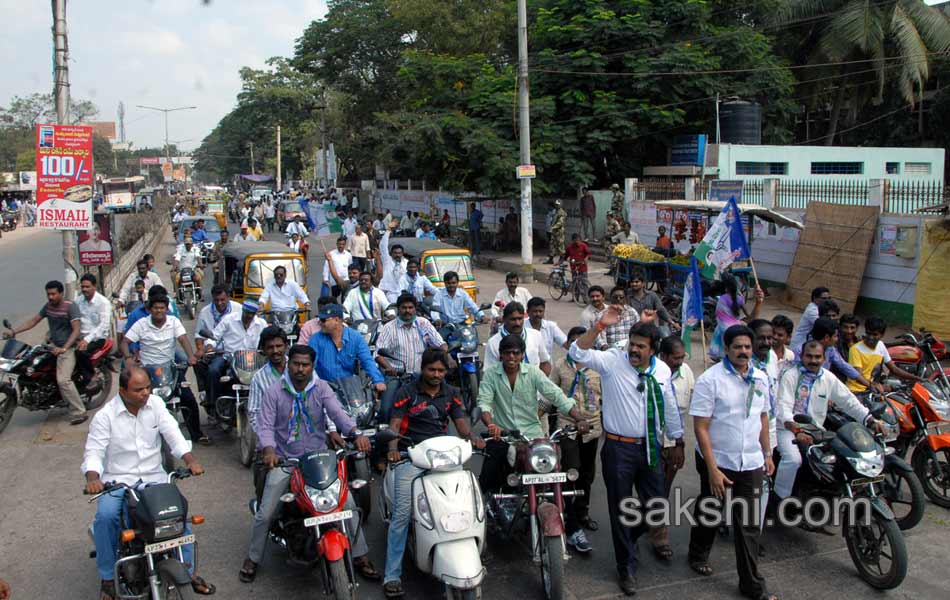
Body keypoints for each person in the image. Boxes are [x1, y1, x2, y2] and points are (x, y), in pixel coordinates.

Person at [239, 345, 380, 584]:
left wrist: (356, 433)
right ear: (289, 364)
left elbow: (337, 413)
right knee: (265, 513)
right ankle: (253, 558)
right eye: (296, 363)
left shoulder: (321, 388)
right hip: (286, 461)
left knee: (347, 504)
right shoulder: (274, 392)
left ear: (312, 366)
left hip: (318, 459)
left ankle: (360, 556)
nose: (300, 369)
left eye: (305, 364)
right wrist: (269, 450)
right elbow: (265, 425)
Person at [569, 317, 683, 594]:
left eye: (641, 347)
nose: (634, 350)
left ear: (653, 349)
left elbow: (669, 406)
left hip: (651, 447)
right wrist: (598, 327)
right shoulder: (612, 362)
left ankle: (628, 539)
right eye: (632, 344)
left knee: (656, 508)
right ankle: (626, 567)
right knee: (620, 509)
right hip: (619, 449)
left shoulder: (663, 372)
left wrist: (678, 440)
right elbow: (577, 352)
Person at [82, 367, 214, 600]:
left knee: (178, 515)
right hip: (118, 481)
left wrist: (190, 459)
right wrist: (93, 478)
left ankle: (189, 572)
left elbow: (173, 433)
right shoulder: (106, 416)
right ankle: (108, 578)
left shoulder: (155, 405)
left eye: (147, 388)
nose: (145, 393)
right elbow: (94, 451)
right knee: (106, 517)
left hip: (155, 477)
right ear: (122, 391)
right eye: (138, 389)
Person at [381, 349, 483, 596]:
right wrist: (393, 449)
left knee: (468, 502)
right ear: (423, 368)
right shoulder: (407, 393)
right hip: (411, 457)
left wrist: (473, 437)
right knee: (402, 516)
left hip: (444, 456)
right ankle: (392, 574)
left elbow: (460, 424)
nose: (437, 375)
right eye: (432, 370)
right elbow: (394, 426)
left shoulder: (451, 393)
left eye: (441, 371)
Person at [688, 325, 774, 600]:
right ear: (726, 349)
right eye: (737, 347)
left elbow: (762, 418)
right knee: (712, 508)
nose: (743, 351)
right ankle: (698, 553)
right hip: (717, 458)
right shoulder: (710, 380)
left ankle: (751, 586)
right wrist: (713, 470)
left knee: (747, 523)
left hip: (750, 460)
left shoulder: (760, 378)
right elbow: (700, 427)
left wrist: (767, 453)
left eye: (747, 347)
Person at [774, 340, 881, 504]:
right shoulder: (791, 375)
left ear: (824, 359)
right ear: (801, 356)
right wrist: (797, 430)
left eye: (817, 357)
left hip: (816, 431)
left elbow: (848, 401)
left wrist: (870, 420)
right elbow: (783, 408)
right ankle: (780, 499)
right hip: (787, 430)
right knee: (793, 459)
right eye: (809, 356)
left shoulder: (828, 378)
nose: (813, 360)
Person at [478, 334, 590, 492]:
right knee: (488, 479)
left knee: (552, 472)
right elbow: (484, 402)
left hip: (532, 436)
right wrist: (491, 425)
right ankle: (489, 507)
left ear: (522, 355)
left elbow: (556, 395)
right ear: (500, 354)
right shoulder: (491, 374)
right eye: (507, 352)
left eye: (516, 353)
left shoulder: (533, 372)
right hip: (504, 434)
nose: (511, 356)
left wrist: (579, 419)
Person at [121, 295, 205, 443]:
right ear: (149, 309)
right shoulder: (141, 324)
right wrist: (128, 358)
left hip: (170, 369)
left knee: (188, 398)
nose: (159, 311)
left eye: (162, 308)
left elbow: (183, 339)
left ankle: (196, 434)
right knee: (137, 400)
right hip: (148, 372)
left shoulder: (173, 322)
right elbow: (124, 342)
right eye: (155, 308)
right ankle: (132, 436)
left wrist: (190, 356)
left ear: (167, 309)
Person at [549, 326, 602, 553]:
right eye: (573, 341)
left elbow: (608, 397)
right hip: (567, 427)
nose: (577, 345)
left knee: (588, 473)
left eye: (582, 341)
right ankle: (568, 518)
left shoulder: (599, 366)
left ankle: (582, 512)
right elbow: (549, 394)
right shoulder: (560, 366)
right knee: (572, 470)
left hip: (592, 428)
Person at [3, 280, 86, 425]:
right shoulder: (48, 306)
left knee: (63, 380)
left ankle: (79, 411)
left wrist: (65, 348)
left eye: (54, 294)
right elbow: (34, 321)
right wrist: (13, 331)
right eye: (48, 294)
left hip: (68, 348)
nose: (51, 297)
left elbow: (76, 330)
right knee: (31, 366)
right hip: (51, 345)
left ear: (61, 293)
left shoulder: (70, 307)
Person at [648, 335, 694, 559]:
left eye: (682, 357)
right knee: (654, 490)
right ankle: (659, 537)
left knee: (663, 490)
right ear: (662, 356)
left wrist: (680, 444)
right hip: (651, 445)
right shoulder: (650, 373)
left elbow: (686, 412)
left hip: (674, 445)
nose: (680, 362)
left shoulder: (687, 375)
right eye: (675, 358)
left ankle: (652, 525)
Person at [201, 301, 267, 411]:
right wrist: (209, 346)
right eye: (246, 313)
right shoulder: (229, 319)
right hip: (229, 357)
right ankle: (214, 405)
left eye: (252, 313)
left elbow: (268, 340)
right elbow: (214, 336)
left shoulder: (262, 324)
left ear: (255, 313)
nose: (248, 316)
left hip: (253, 360)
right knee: (213, 370)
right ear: (243, 310)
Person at [307, 304, 386, 391]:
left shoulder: (356, 337)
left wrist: (378, 380)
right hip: (323, 388)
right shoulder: (315, 339)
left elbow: (367, 361)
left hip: (349, 390)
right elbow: (311, 364)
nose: (319, 323)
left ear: (336, 320)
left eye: (323, 320)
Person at [194, 285, 242, 407]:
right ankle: (213, 404)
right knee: (213, 370)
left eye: (222, 300)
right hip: (218, 353)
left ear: (228, 297)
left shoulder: (238, 309)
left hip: (238, 352)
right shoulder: (205, 312)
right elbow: (199, 335)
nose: (219, 303)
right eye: (216, 300)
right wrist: (201, 350)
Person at [847, 316, 919, 392]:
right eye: (868, 333)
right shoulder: (855, 349)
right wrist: (875, 387)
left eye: (875, 334)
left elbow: (894, 369)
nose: (870, 337)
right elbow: (858, 377)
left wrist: (917, 379)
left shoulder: (881, 345)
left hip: (870, 389)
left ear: (882, 335)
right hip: (855, 391)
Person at [808, 317, 879, 392]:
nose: (837, 339)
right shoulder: (802, 351)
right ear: (826, 338)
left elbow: (844, 366)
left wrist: (869, 385)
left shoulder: (830, 350)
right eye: (835, 336)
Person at [708, 272, 764, 362]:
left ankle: (720, 356)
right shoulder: (740, 298)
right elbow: (748, 315)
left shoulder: (722, 299)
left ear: (725, 288)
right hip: (736, 324)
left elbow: (717, 313)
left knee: (720, 340)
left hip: (723, 326)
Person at [484, 302, 552, 373]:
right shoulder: (493, 343)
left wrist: (543, 382)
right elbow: (489, 373)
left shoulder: (536, 335)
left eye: (520, 319)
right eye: (513, 319)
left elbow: (544, 363)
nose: (517, 323)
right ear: (504, 319)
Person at [74, 273, 112, 389]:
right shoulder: (78, 301)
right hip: (79, 336)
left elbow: (104, 325)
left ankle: (91, 377)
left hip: (97, 338)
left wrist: (87, 339)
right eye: (83, 287)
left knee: (80, 352)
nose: (84, 289)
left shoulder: (103, 302)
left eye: (87, 287)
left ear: (94, 286)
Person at [627, 270, 675, 336]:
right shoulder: (626, 296)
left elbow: (661, 310)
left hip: (649, 329)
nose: (634, 284)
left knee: (665, 335)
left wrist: (672, 322)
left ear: (643, 283)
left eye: (637, 282)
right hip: (633, 329)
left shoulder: (652, 295)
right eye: (632, 282)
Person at [789, 287, 831, 354]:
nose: (827, 301)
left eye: (829, 298)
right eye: (824, 298)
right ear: (815, 298)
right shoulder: (812, 310)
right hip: (800, 344)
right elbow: (824, 326)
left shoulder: (819, 308)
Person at [378, 223, 410, 302]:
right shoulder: (387, 260)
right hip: (388, 291)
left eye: (399, 253)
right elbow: (383, 246)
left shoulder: (406, 263)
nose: (397, 255)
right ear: (391, 253)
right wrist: (388, 230)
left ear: (402, 254)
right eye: (395, 253)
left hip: (402, 292)